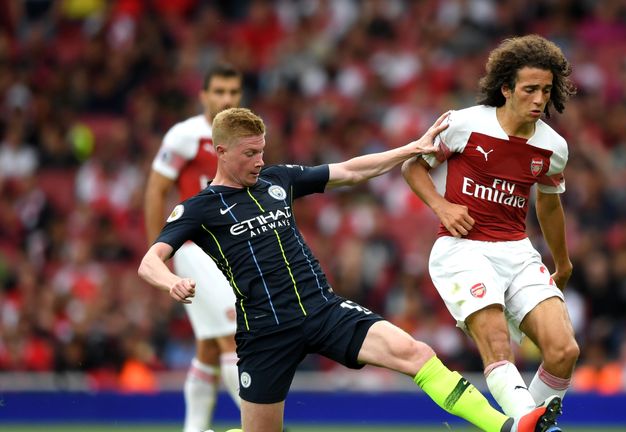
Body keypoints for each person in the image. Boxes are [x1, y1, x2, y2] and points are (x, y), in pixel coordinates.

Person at [138, 107, 563, 432]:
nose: (258, 161)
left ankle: (507, 426)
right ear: (221, 151)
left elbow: (349, 171)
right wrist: (172, 280)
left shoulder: (277, 179)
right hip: (265, 332)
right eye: (249, 154)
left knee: (415, 353)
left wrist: (412, 148)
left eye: (261, 151)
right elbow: (150, 261)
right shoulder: (199, 208)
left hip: (323, 311)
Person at [401, 34, 579, 425]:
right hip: (463, 249)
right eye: (530, 89)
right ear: (506, 88)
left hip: (517, 251)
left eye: (546, 91)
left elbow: (549, 203)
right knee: (498, 344)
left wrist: (562, 262)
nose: (538, 100)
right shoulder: (463, 123)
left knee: (564, 350)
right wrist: (442, 206)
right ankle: (529, 424)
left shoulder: (553, 147)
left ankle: (521, 425)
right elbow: (412, 166)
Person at [144, 64, 243, 432]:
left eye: (233, 92)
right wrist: (161, 252)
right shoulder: (184, 136)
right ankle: (261, 423)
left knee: (208, 345)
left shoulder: (245, 134)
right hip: (194, 247)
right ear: (203, 95)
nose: (226, 99)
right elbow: (156, 190)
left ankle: (194, 428)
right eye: (219, 91)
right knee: (232, 337)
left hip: (230, 249)